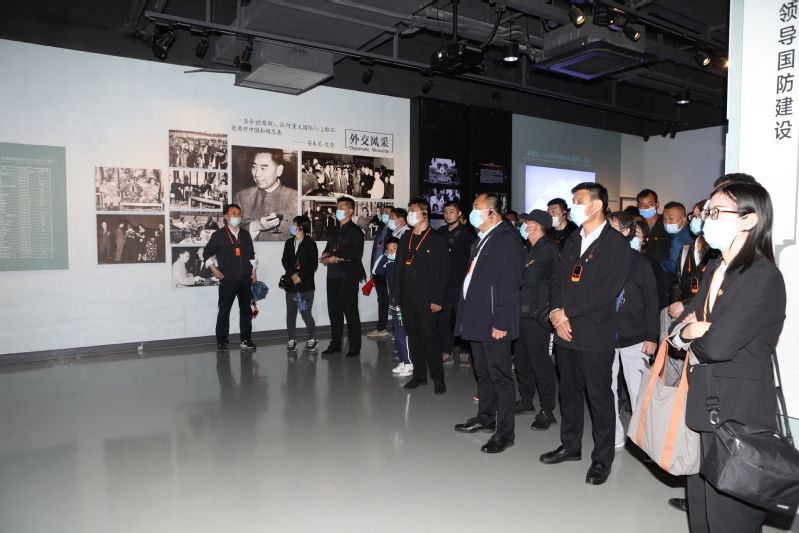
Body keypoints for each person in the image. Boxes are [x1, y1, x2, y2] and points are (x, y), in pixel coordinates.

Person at [666, 181, 785, 532]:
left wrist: (693, 333)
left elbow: (716, 346)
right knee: (702, 514)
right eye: (707, 212)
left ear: (749, 220)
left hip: (738, 415)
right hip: (704, 405)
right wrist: (690, 331)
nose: (707, 219)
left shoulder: (761, 276)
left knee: (729, 519)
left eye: (717, 212)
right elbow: (678, 328)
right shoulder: (718, 267)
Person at [540, 182, 629, 485]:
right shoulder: (573, 238)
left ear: (597, 204)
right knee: (568, 393)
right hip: (564, 330)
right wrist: (556, 312)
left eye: (579, 201)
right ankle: (570, 446)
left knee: (599, 397)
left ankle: (602, 458)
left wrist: (568, 313)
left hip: (593, 332)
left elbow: (607, 289)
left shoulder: (616, 243)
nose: (574, 206)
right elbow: (558, 280)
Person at [453, 193, 524, 452]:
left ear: (492, 213)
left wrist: (502, 321)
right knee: (482, 373)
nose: (472, 211)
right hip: (477, 317)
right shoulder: (483, 238)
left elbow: (510, 284)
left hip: (495, 320)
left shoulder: (507, 239)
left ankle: (505, 432)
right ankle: (485, 418)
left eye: (476, 207)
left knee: (501, 378)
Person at [605, 211, 659, 448]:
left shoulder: (640, 263)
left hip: (635, 337)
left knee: (638, 391)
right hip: (604, 336)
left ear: (626, 232)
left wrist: (652, 336)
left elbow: (651, 301)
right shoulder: (600, 259)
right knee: (606, 390)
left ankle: (642, 439)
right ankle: (614, 435)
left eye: (612, 228)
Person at [392, 197, 450, 394]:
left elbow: (443, 272)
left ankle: (438, 378)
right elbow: (398, 268)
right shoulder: (405, 237)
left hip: (427, 299)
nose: (410, 213)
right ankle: (419, 375)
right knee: (414, 337)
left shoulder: (437, 238)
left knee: (429, 337)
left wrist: (438, 299)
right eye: (409, 210)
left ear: (424, 214)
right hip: (406, 298)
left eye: (413, 210)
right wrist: (396, 295)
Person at [514, 210, 558, 430]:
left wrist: (521, 269)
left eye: (526, 222)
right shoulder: (529, 248)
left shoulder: (548, 248)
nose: (522, 225)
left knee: (541, 365)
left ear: (537, 226)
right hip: (521, 313)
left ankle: (547, 411)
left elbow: (529, 278)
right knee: (522, 363)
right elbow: (519, 273)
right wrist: (523, 268)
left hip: (538, 316)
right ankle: (526, 400)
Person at [203, 204, 258, 351]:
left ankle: (245, 339)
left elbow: (251, 256)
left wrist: (254, 275)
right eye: (233, 213)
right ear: (226, 217)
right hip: (228, 279)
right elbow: (206, 253)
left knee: (246, 311)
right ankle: (222, 341)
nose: (237, 216)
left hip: (245, 278)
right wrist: (214, 270)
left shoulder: (245, 235)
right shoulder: (219, 235)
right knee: (224, 311)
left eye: (239, 213)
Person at [320, 197, 367, 358]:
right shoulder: (334, 230)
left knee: (350, 311)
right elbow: (329, 247)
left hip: (347, 276)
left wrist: (336, 258)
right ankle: (335, 344)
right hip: (333, 276)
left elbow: (356, 253)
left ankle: (355, 346)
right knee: (334, 312)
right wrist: (326, 254)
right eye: (337, 207)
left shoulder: (355, 231)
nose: (338, 210)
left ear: (350, 211)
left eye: (341, 207)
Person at [437, 201, 476, 366]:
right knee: (442, 320)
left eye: (451, 211)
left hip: (460, 283)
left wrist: (450, 252)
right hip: (442, 284)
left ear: (459, 214)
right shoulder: (440, 232)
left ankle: (465, 351)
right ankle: (446, 351)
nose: (448, 214)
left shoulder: (468, 233)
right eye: (446, 211)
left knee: (463, 319)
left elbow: (471, 258)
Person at [233, 148, 297, 240]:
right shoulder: (241, 197)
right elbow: (231, 234)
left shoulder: (295, 198)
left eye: (263, 168)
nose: (257, 174)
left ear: (279, 170)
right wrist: (255, 226)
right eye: (254, 167)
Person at [373, 237, 413, 376]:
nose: (391, 252)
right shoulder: (389, 265)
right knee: (397, 334)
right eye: (388, 250)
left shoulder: (405, 265)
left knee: (403, 334)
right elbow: (376, 270)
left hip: (402, 304)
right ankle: (403, 360)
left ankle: (409, 363)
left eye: (394, 249)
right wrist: (386, 256)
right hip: (393, 305)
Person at [281, 215, 319, 352]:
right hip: (291, 285)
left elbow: (313, 264)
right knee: (291, 313)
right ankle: (291, 340)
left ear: (301, 227)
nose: (292, 227)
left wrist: (301, 276)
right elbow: (285, 260)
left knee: (305, 313)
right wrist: (293, 275)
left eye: (294, 224)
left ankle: (313, 338)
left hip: (305, 286)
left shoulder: (311, 244)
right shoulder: (288, 243)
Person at [367, 205, 394, 339]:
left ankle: (398, 331)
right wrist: (373, 269)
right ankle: (381, 328)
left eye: (387, 213)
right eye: (383, 213)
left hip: (389, 271)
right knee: (382, 300)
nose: (384, 215)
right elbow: (375, 251)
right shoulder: (380, 229)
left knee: (394, 301)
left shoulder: (394, 231)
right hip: (378, 271)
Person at [660, 201, 693, 275]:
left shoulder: (679, 239)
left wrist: (661, 261)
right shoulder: (688, 232)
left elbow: (675, 268)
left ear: (684, 220)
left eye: (671, 218)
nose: (667, 222)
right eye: (664, 219)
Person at [637, 188, 671, 259]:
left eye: (650, 204)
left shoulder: (666, 225)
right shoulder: (638, 227)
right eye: (642, 205)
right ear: (638, 206)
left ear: (657, 204)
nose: (646, 208)